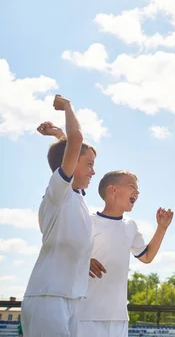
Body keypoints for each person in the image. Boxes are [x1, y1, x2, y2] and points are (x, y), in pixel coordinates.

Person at [21, 95, 97, 337]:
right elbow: (75, 142)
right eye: (89, 164)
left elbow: (69, 148)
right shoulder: (58, 193)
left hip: (72, 297)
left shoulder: (78, 196)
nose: (93, 171)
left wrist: (57, 135)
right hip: (48, 296)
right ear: (71, 163)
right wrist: (67, 106)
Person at [78, 170, 173, 337]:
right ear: (112, 190)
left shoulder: (131, 226)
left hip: (118, 316)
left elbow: (147, 256)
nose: (137, 192)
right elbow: (68, 250)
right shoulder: (88, 220)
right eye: (132, 187)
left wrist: (162, 228)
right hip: (86, 314)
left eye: (137, 189)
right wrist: (84, 259)